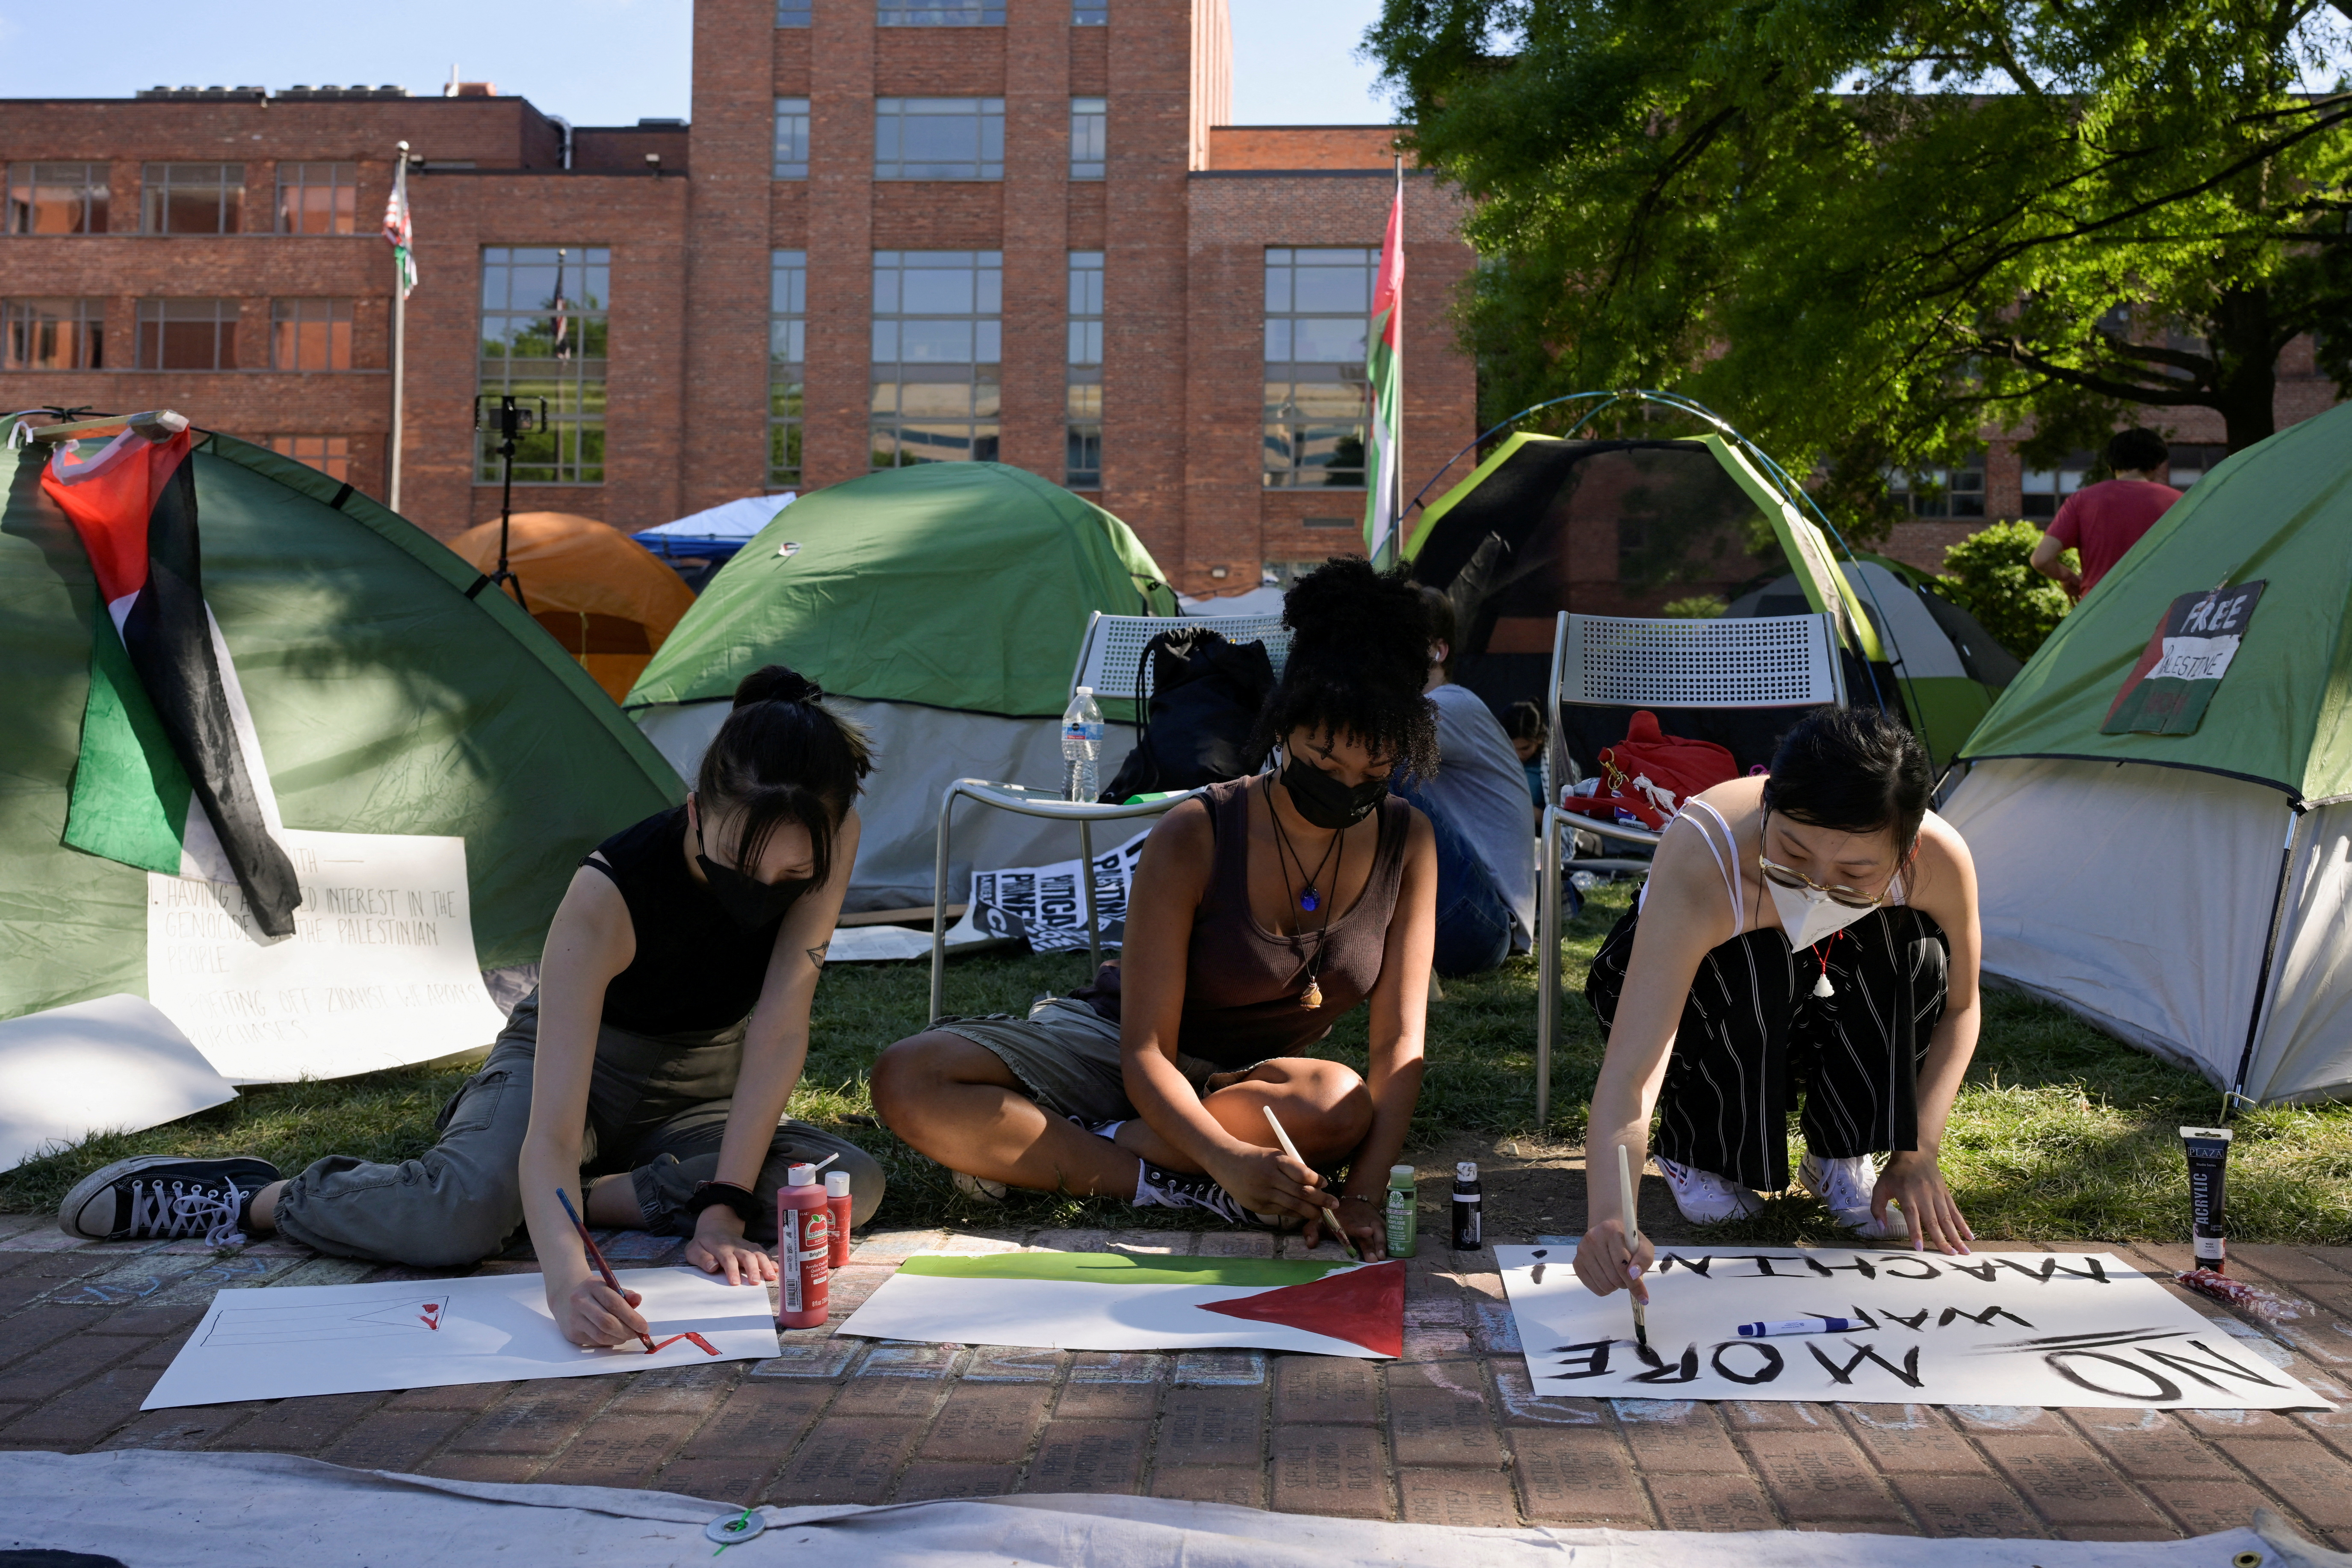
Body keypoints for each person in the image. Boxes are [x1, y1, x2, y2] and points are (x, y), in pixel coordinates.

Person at [58, 666, 886, 1350]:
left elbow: (780, 1024)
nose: (761, 894)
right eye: (739, 866)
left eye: (787, 879)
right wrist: (567, 1283)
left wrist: (723, 1208)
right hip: (575, 1070)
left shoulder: (830, 830)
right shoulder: (609, 892)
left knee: (841, 1186)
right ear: (699, 811)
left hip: (703, 1087)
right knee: (454, 1222)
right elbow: (557, 1128)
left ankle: (546, 1198)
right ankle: (255, 1200)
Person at [870, 559, 1439, 1257]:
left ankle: (1063, 1145)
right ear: (1286, 722)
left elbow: (1399, 1048)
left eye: (1374, 772)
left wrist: (1363, 1197)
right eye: (1324, 761)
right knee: (910, 1076)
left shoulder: (1407, 839)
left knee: (1338, 1102)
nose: (1347, 786)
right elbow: (1143, 1052)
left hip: (1243, 1084)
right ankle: (1162, 1177)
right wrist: (1229, 1159)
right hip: (1115, 1046)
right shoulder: (1197, 830)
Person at [1572, 707, 1983, 1308]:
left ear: (1907, 848)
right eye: (1790, 850)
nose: (1816, 884)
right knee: (1755, 951)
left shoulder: (1941, 859)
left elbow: (1962, 1008)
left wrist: (1918, 1147)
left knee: (1918, 949)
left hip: (1815, 992)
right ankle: (1702, 1150)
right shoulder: (1705, 851)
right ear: (1768, 805)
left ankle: (1842, 1147)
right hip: (1694, 999)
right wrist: (1611, 1213)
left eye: (1855, 872)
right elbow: (1634, 1065)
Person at [1393, 586, 1534, 976]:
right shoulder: (1443, 710)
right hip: (1472, 917)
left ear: (1437, 651)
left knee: (1370, 769)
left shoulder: (1451, 706)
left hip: (1485, 924)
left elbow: (1369, 750)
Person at [2028, 427, 2183, 598]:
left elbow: (2041, 559)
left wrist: (2067, 577)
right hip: (2163, 607)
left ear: (2111, 465)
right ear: (2156, 465)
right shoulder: (2180, 502)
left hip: (2100, 610)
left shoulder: (2082, 500)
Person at [1504, 700, 1548, 809]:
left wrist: (1533, 813)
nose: (1517, 755)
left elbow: (1566, 822)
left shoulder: (1556, 770)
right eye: (1510, 747)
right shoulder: (1491, 761)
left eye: (1525, 748)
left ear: (1539, 739)